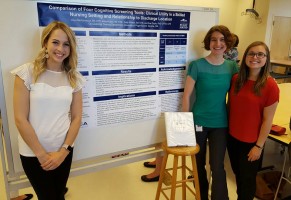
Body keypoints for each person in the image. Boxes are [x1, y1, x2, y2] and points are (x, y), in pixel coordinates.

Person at [12, 21, 85, 200]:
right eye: (55, 42)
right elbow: (20, 119)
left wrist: (63, 151)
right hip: (33, 153)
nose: (61, 48)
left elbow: (76, 118)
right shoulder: (27, 73)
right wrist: (41, 154)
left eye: (66, 44)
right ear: (45, 43)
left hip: (63, 150)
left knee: (58, 193)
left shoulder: (74, 77)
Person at [181, 25, 238, 200]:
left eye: (222, 40)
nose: (218, 43)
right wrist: (184, 125)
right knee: (197, 164)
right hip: (198, 122)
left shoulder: (232, 67)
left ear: (227, 44)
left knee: (217, 165)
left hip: (220, 124)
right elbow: (187, 96)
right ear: (208, 42)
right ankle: (201, 196)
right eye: (214, 39)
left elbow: (238, 97)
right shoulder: (196, 65)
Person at [227, 41, 279, 200]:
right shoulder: (236, 79)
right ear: (245, 57)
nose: (255, 57)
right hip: (232, 138)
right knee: (238, 175)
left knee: (247, 181)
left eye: (260, 54)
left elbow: (267, 120)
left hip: (251, 143)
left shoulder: (270, 86)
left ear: (266, 59)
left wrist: (259, 146)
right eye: (251, 53)